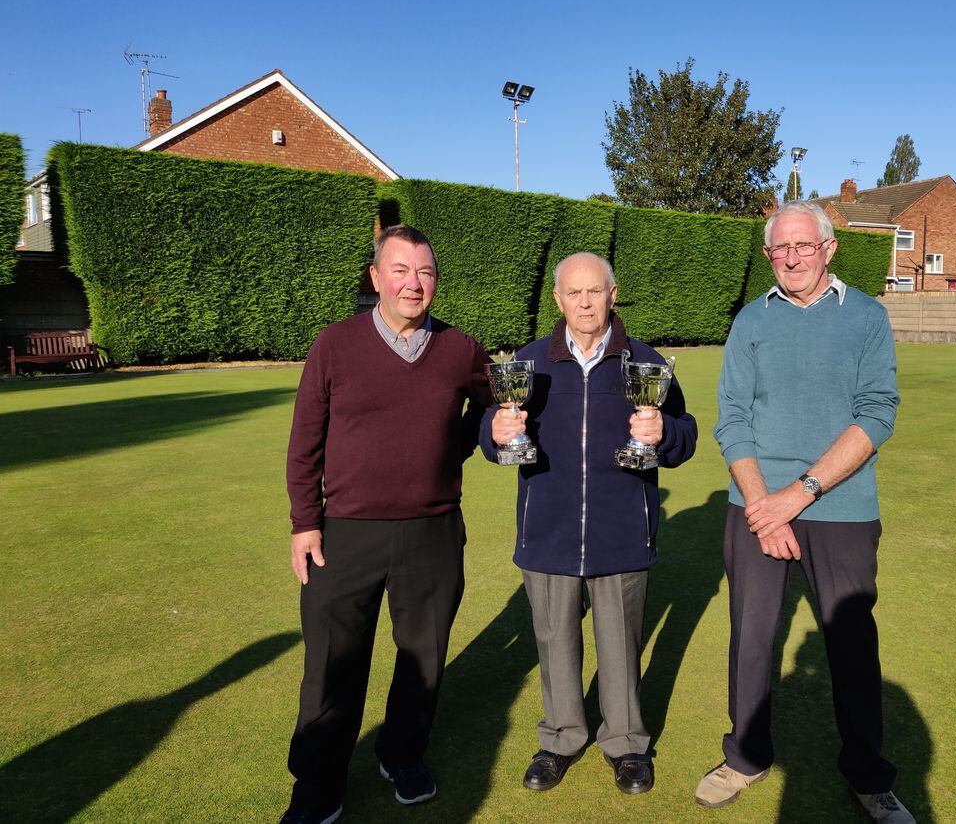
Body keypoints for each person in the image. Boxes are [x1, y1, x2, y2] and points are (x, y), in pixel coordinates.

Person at [693, 201, 912, 823]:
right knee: (752, 637)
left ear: (829, 248)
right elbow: (732, 419)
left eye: (803, 246)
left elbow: (876, 414)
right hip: (756, 504)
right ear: (768, 255)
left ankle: (869, 776)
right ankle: (745, 757)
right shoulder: (750, 321)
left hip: (840, 507)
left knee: (849, 643)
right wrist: (765, 505)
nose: (791, 258)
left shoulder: (867, 315)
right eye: (779, 249)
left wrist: (798, 495)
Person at [281, 225, 493, 824]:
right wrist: (304, 522)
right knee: (332, 665)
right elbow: (305, 440)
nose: (413, 283)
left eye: (424, 272)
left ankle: (401, 754)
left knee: (422, 656)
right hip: (345, 531)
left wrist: (453, 446)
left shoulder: (460, 348)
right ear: (375, 278)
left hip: (432, 529)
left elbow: (492, 404)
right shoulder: (335, 344)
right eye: (400, 270)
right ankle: (318, 783)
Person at [481, 252, 697, 796]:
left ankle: (626, 745)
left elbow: (685, 434)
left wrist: (662, 431)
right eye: (573, 293)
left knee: (621, 645)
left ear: (612, 294)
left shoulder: (646, 363)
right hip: (548, 531)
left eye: (594, 292)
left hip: (622, 532)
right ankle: (559, 739)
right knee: (554, 642)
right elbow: (491, 431)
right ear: (557, 299)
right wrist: (496, 432)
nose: (584, 303)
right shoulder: (528, 363)